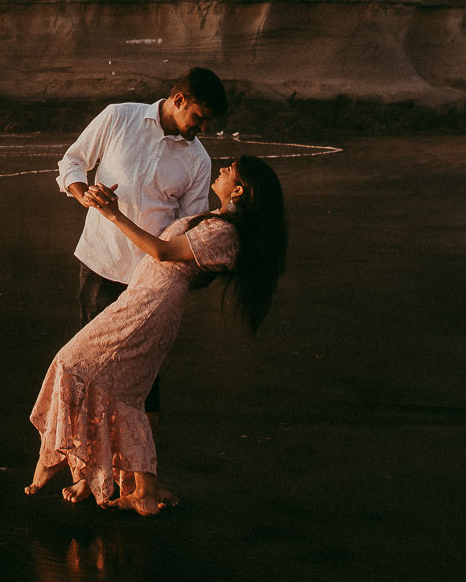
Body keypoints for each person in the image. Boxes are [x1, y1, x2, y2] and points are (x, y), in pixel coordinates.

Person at [27, 153, 288, 514]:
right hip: (146, 298)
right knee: (126, 392)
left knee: (73, 362)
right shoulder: (219, 224)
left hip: (149, 308)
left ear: (239, 190)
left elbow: (164, 252)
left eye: (231, 172)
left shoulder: (224, 232)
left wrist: (114, 214)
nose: (223, 169)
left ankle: (64, 456)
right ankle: (136, 487)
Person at [57, 68, 228, 417]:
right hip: (100, 261)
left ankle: (135, 462)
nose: (203, 129)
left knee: (143, 376)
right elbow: (72, 162)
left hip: (150, 281)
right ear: (179, 100)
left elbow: (187, 228)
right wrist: (83, 193)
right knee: (89, 364)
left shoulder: (198, 160)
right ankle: (88, 452)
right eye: (199, 117)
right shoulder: (119, 116)